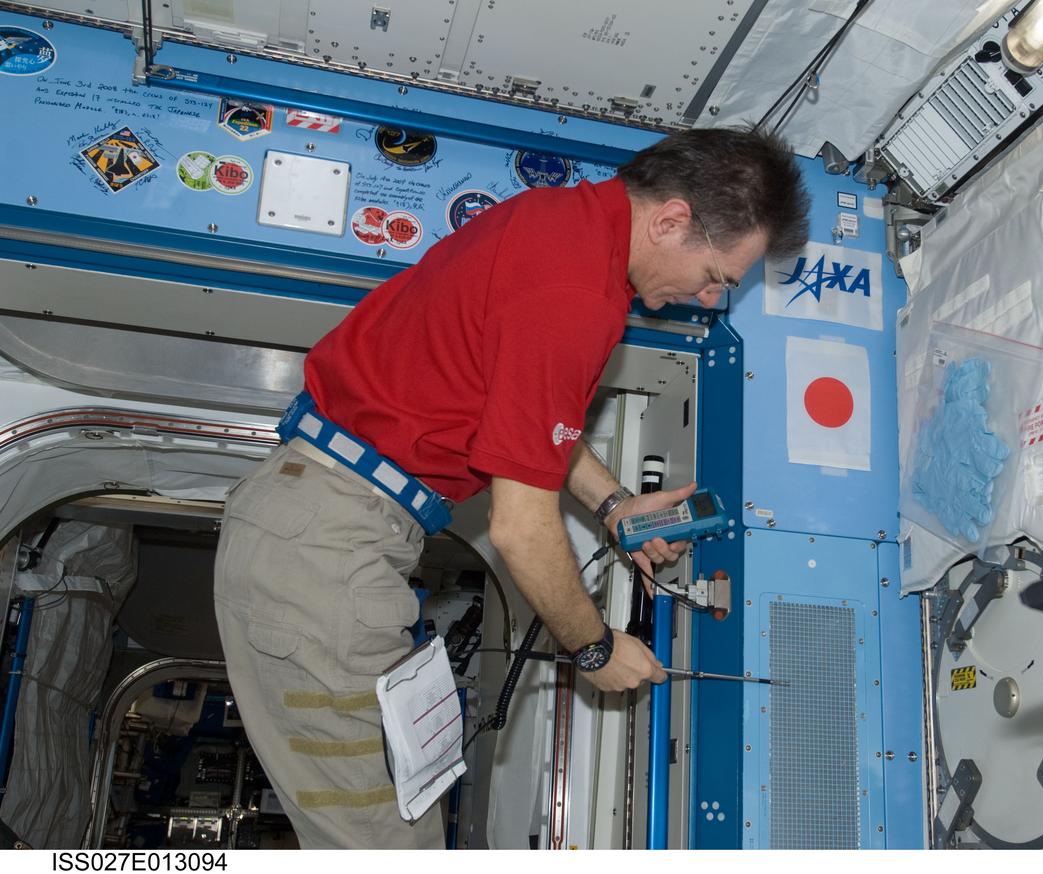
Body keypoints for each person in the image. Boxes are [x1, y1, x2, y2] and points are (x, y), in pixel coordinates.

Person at [212, 126, 810, 849]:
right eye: (718, 274)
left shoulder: (556, 225)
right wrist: (593, 647)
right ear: (671, 221)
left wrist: (614, 505)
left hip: (319, 528)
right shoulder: (574, 295)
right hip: (330, 547)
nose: (711, 298)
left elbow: (529, 425)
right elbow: (520, 529)